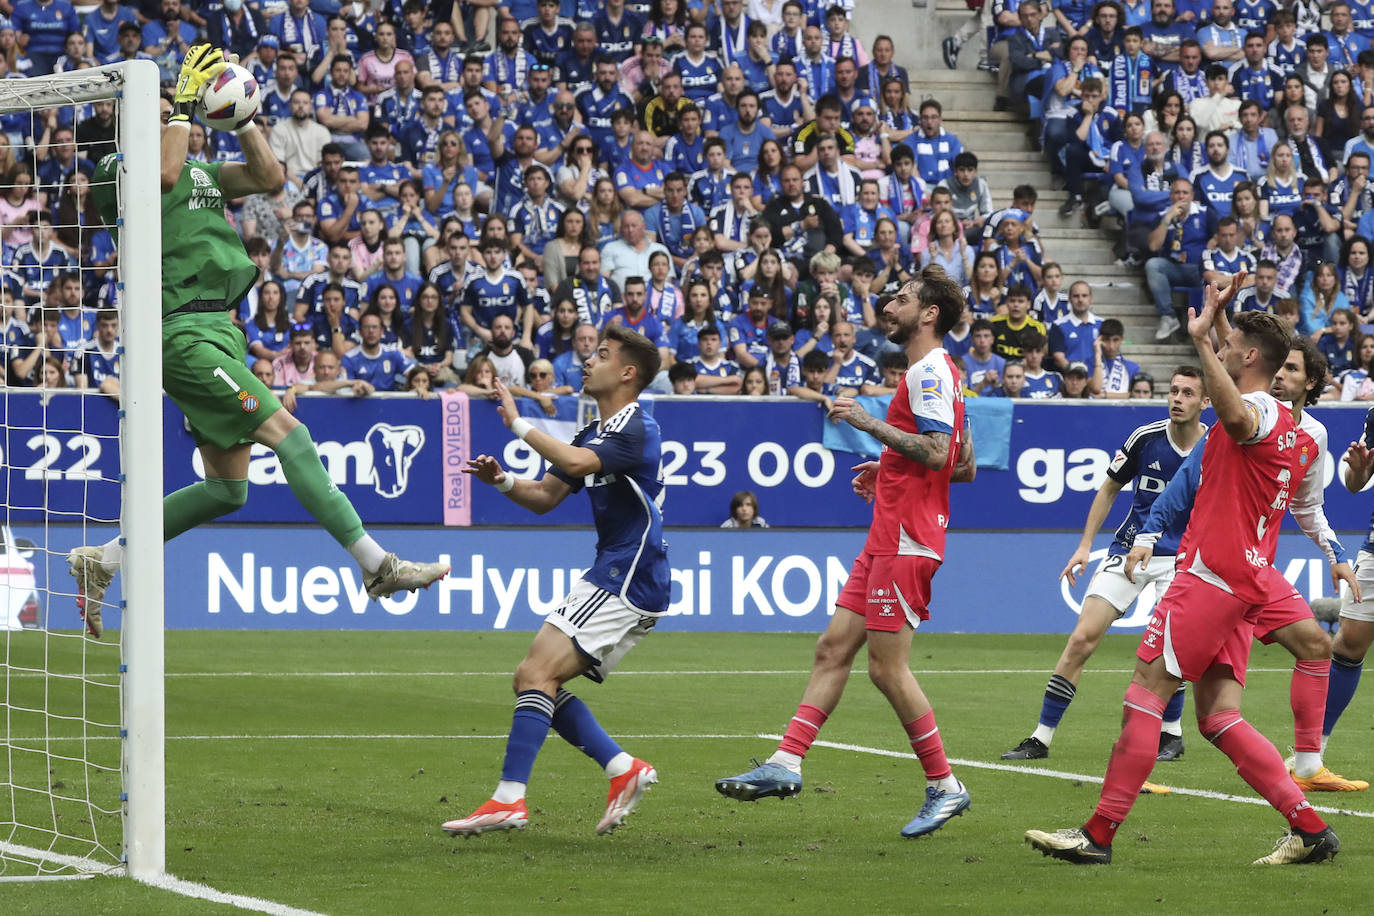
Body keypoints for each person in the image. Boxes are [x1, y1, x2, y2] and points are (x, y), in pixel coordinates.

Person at [68, 45, 448, 639]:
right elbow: (161, 172)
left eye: (173, 105)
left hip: (221, 329)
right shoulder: (117, 170)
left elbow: (272, 178)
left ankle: (105, 559)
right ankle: (377, 565)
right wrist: (185, 107)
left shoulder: (201, 173)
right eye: (164, 109)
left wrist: (242, 117)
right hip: (180, 333)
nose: (173, 114)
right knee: (290, 437)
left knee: (228, 489)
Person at [1025, 292, 1341, 866]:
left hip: (1209, 578)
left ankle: (1098, 835)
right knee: (1219, 716)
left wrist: (1201, 341)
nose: (1218, 353)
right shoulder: (1294, 431)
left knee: (1143, 698)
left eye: (1227, 350)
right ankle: (1312, 830)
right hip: (1245, 581)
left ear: (1246, 360)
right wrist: (1224, 320)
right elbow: (1243, 370)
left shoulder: (1258, 412)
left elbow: (1241, 409)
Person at [714, 268, 979, 839]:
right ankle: (786, 763)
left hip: (907, 539)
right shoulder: (944, 374)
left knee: (886, 669)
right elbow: (965, 463)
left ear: (929, 314)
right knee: (832, 648)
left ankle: (944, 785)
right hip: (889, 534)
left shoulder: (928, 372)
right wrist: (888, 467)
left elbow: (938, 453)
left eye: (904, 300)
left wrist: (867, 423)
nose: (891, 305)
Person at [444, 324, 668, 837]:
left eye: (603, 355)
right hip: (619, 568)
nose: (589, 361)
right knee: (533, 678)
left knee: (535, 673)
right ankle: (620, 769)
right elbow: (545, 496)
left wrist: (519, 424)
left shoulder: (638, 426)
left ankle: (510, 800)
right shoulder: (598, 431)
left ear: (628, 373)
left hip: (630, 572)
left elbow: (573, 463)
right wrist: (501, 480)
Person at [1001, 367, 1208, 763]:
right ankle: (1040, 738)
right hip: (1130, 550)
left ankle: (1172, 735)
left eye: (1187, 393)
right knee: (1081, 639)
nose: (1177, 398)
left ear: (1205, 402)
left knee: (1170, 649)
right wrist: (1084, 546)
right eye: (1173, 390)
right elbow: (1109, 488)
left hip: (1182, 559)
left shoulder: (1214, 447)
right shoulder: (1145, 438)